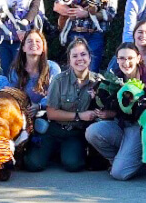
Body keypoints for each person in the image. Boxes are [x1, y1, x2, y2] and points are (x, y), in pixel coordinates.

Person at [27, 39, 116, 172]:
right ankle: (53, 152)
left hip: (75, 133)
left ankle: (63, 153)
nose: (79, 59)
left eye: (83, 54)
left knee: (73, 164)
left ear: (90, 58)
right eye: (75, 56)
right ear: (69, 60)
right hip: (54, 129)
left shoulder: (99, 81)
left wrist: (98, 101)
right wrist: (80, 115)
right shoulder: (59, 80)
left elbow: (108, 111)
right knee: (33, 164)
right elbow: (51, 113)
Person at [89, 42, 146, 181]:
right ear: (117, 60)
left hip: (143, 129)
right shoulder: (113, 79)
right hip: (122, 125)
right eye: (122, 58)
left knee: (119, 174)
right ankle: (119, 159)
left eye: (130, 58)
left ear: (138, 58)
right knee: (93, 132)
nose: (126, 62)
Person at [6, 30, 61, 138]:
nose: (34, 44)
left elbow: (55, 94)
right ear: (23, 48)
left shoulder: (53, 68)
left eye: (38, 41)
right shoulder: (15, 70)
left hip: (46, 112)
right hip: (22, 112)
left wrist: (40, 106)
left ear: (43, 47)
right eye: (29, 41)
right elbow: (12, 93)